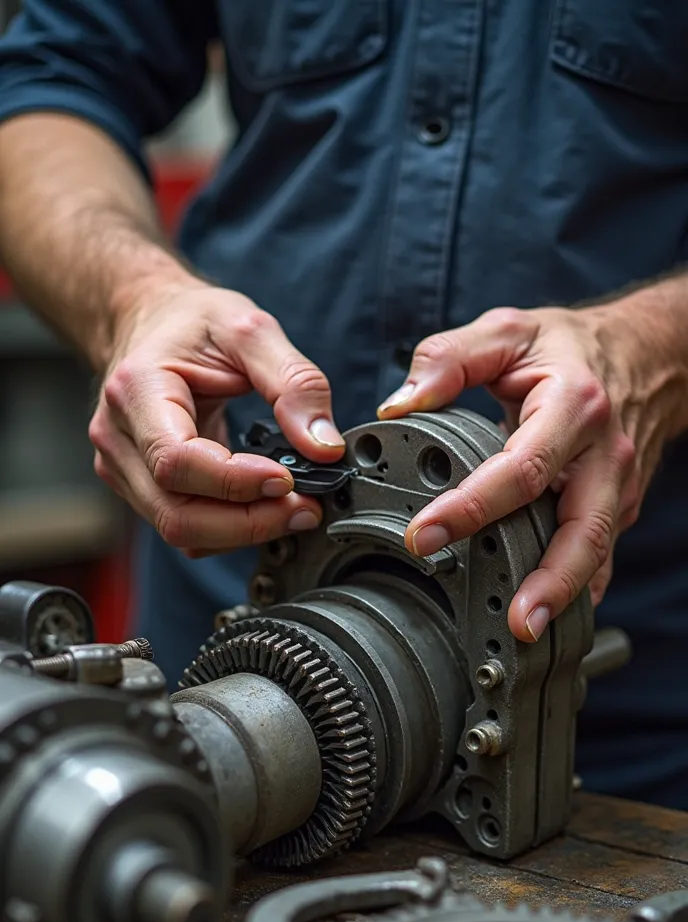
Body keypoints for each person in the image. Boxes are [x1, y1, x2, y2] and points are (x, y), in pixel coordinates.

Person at [0, 1, 686, 808]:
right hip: (234, 619)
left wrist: (652, 346)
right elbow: (51, 77)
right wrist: (133, 299)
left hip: (623, 700)